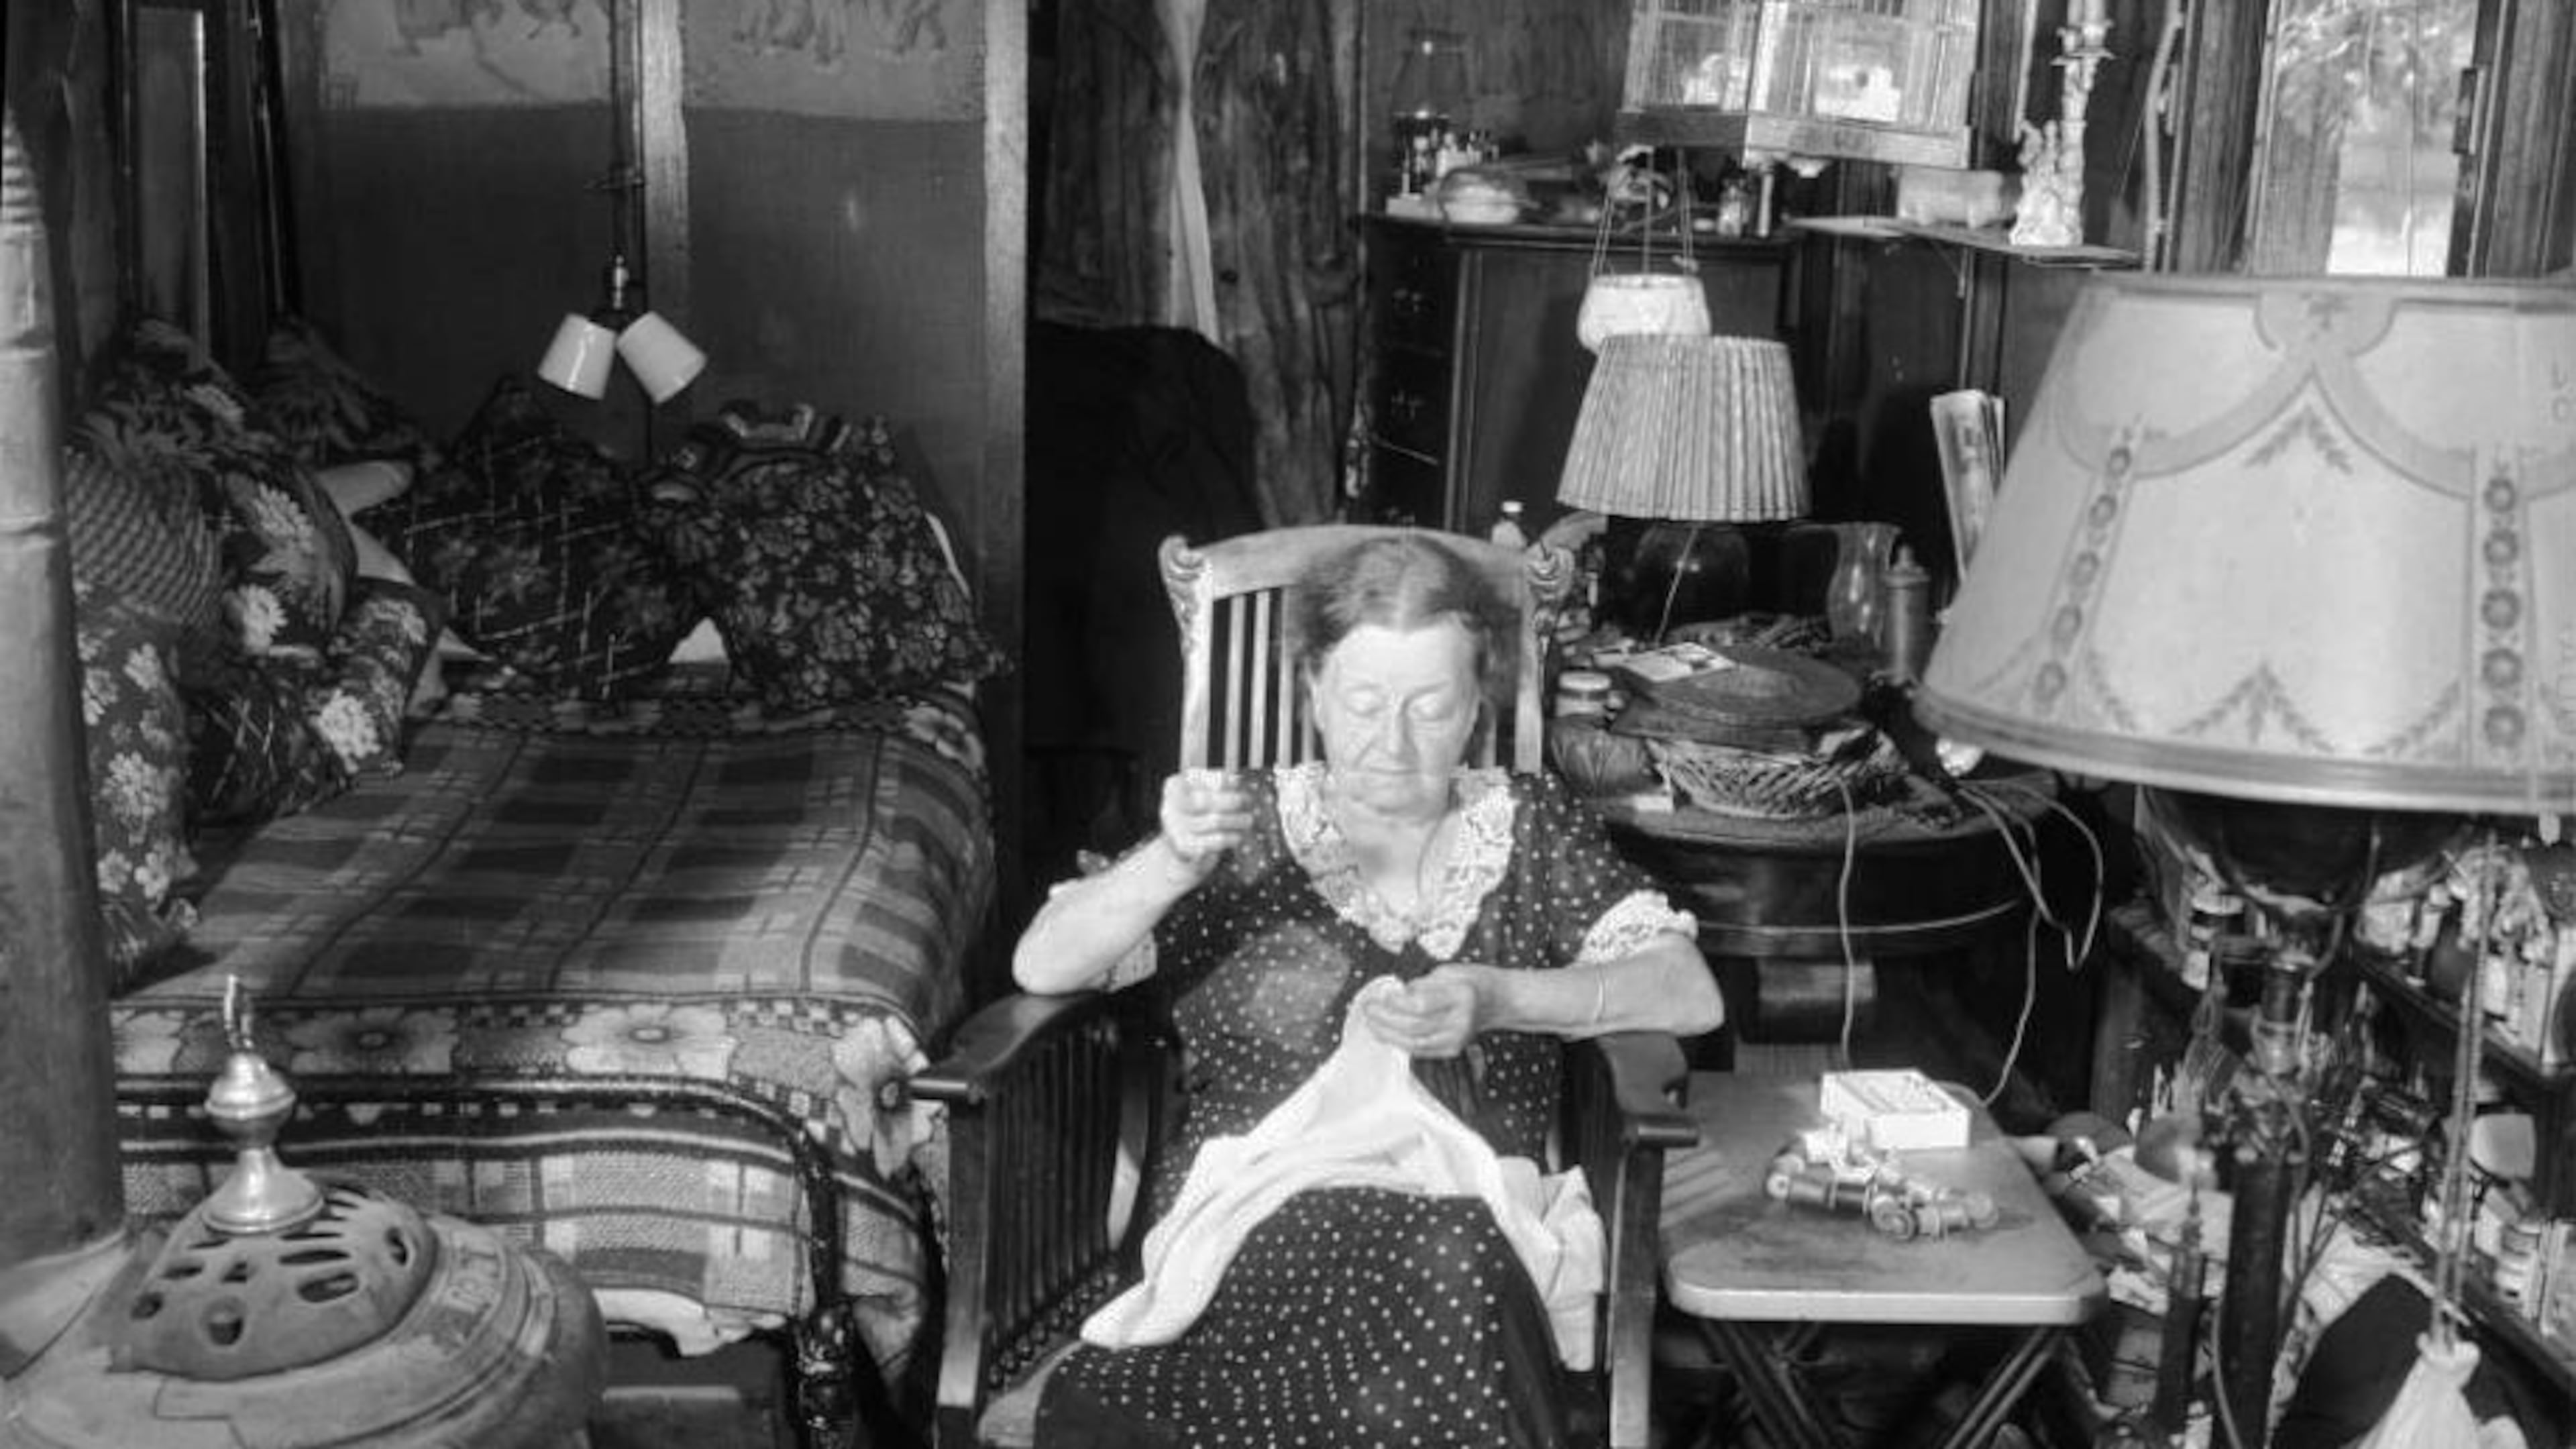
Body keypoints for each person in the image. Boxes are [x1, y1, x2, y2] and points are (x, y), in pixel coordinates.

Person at [1015, 533, 1724, 1448]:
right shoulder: (1241, 824)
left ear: (1477, 706)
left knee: (1455, 1255)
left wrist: (1501, 1000)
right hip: (1257, 1232)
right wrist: (1171, 863)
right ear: (1312, 690)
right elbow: (1043, 965)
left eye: (1430, 707)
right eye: (1362, 702)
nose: (1391, 743)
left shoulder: (1529, 824)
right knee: (1449, 1265)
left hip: (1473, 1232)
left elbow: (1687, 991)